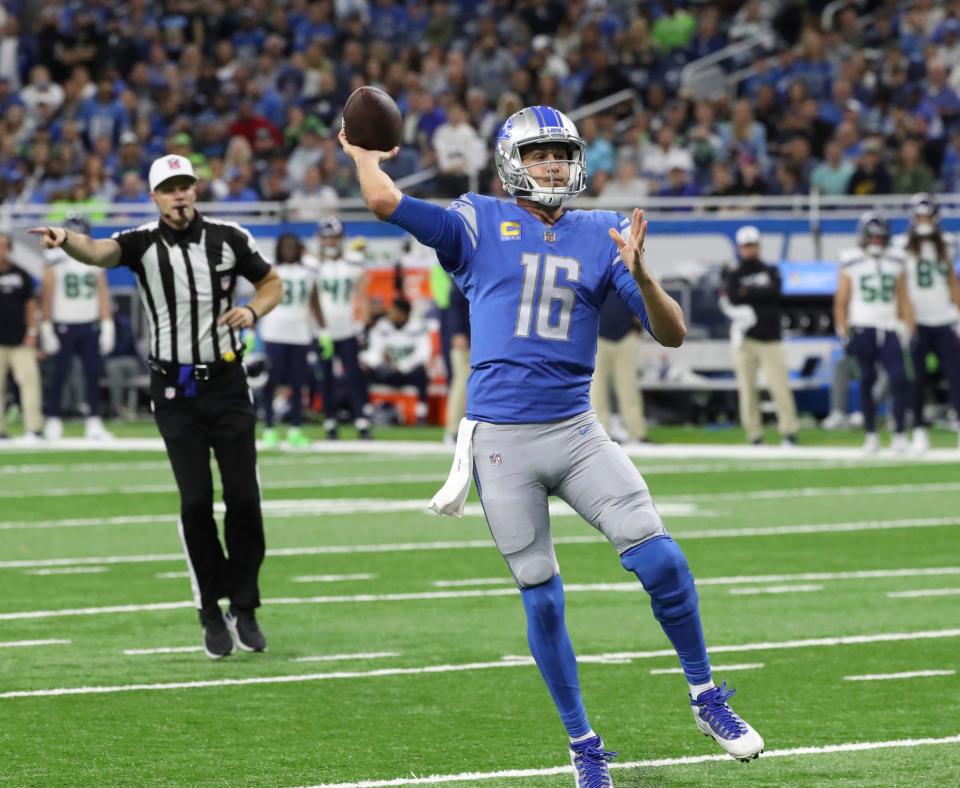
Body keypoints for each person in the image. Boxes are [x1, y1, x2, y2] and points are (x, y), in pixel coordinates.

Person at [340, 105, 764, 784]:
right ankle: (583, 745)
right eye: (540, 154)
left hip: (575, 430)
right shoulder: (477, 219)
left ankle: (705, 694)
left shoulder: (603, 232)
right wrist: (363, 152)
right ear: (512, 162)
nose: (554, 166)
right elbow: (386, 202)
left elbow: (673, 333)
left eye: (562, 154)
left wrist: (643, 274)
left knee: (662, 560)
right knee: (541, 596)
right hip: (503, 441)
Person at [29, 154, 282, 659]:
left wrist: (253, 310)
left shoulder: (229, 238)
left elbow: (272, 283)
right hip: (174, 390)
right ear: (155, 197)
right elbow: (100, 252)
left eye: (185, 185)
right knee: (194, 502)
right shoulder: (143, 241)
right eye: (169, 188)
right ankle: (209, 607)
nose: (179, 194)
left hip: (228, 383)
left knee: (245, 500)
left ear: (195, 189)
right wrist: (67, 241)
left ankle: (245, 606)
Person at [834, 212, 915, 453]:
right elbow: (842, 298)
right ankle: (871, 434)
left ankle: (899, 433)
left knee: (899, 378)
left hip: (890, 327)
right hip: (862, 326)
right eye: (873, 236)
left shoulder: (896, 259)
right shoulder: (851, 259)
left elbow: (903, 296)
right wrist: (842, 328)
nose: (876, 241)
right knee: (866, 380)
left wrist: (908, 326)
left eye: (880, 237)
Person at [720, 226, 799, 446]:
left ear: (759, 245)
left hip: (771, 337)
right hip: (745, 339)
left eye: (752, 245)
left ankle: (789, 431)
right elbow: (734, 298)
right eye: (746, 246)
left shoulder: (770, 269)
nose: (750, 249)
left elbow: (776, 292)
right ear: (739, 247)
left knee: (779, 387)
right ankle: (754, 434)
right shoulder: (735, 272)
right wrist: (758, 294)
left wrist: (750, 294)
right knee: (747, 389)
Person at [40, 213, 115, 441]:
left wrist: (106, 322)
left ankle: (93, 420)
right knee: (59, 375)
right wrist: (47, 325)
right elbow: (48, 294)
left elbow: (102, 293)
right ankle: (53, 419)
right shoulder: (54, 259)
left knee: (92, 374)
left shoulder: (94, 260)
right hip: (64, 323)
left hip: (89, 323)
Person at [895, 193, 960, 451]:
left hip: (943, 317)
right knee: (917, 378)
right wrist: (902, 317)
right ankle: (920, 430)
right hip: (917, 320)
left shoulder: (947, 242)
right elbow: (900, 286)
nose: (923, 220)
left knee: (955, 376)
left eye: (927, 215)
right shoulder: (900, 244)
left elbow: (952, 281)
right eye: (919, 215)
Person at [258, 232, 324, 449]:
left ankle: (296, 428)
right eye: (285, 246)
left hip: (300, 333)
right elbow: (260, 296)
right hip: (274, 331)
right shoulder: (270, 268)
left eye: (293, 246)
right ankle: (268, 427)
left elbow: (314, 300)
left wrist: (323, 331)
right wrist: (250, 328)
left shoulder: (308, 269)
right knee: (272, 380)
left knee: (298, 383)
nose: (289, 250)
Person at [313, 216, 372, 440]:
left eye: (334, 238)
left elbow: (362, 295)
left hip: (347, 327)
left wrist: (362, 324)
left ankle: (361, 420)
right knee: (325, 377)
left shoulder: (354, 262)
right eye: (326, 238)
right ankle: (329, 421)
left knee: (354, 376)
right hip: (323, 330)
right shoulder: (313, 264)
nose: (330, 242)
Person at [360, 296, 432, 426]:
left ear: (403, 314)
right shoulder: (382, 325)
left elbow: (423, 353)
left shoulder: (417, 326)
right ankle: (366, 412)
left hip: (407, 372)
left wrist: (402, 365)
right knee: (363, 371)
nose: (390, 313)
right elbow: (374, 350)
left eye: (394, 311)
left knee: (422, 372)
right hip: (387, 371)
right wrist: (379, 362)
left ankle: (421, 415)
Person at [0, 231, 43, 442]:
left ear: (9, 249)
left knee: (29, 382)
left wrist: (33, 332)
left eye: (3, 246)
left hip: (20, 339)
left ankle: (33, 428)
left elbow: (31, 305)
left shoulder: (22, 274)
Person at [591, 290, 648, 446]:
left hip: (626, 334)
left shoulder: (628, 271)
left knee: (629, 387)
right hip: (598, 335)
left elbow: (641, 297)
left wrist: (639, 323)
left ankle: (636, 433)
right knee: (597, 388)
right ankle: (599, 434)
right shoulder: (595, 271)